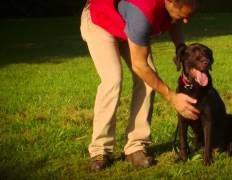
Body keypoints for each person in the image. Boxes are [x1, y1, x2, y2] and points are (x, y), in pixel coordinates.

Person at [80, 0, 199, 171]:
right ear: (169, 2)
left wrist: (181, 49)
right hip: (99, 20)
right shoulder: (143, 11)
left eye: (189, 16)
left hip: (125, 22)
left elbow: (175, 22)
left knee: (148, 82)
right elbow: (139, 65)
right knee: (112, 79)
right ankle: (100, 150)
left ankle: (135, 147)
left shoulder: (170, 7)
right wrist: (172, 98)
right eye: (183, 15)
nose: (186, 21)